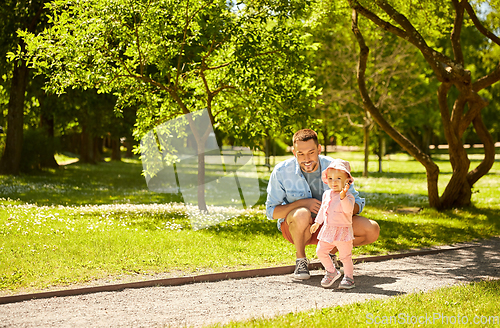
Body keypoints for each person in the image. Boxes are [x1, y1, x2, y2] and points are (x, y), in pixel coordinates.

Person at [265, 129, 380, 280]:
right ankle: (301, 261)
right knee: (301, 213)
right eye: (300, 153)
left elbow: (357, 203)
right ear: (294, 152)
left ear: (319, 149)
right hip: (298, 228)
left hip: (332, 227)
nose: (306, 158)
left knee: (372, 229)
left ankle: (330, 253)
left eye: (311, 152)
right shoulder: (281, 171)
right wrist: (303, 203)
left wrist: (342, 205)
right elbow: (271, 212)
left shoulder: (335, 166)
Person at [310, 159, 356, 289]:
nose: (333, 182)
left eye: (338, 178)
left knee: (345, 256)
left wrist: (343, 197)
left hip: (343, 231)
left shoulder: (349, 197)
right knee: (320, 251)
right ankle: (331, 271)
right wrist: (317, 223)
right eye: (330, 178)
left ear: (347, 180)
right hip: (328, 230)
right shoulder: (327, 194)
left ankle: (349, 278)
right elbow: (323, 210)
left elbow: (348, 211)